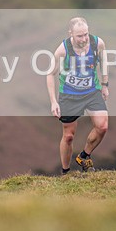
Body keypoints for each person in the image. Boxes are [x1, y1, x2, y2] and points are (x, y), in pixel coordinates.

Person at [46, 17, 109, 173]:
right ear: (71, 34)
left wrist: (105, 85)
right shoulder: (63, 50)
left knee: (102, 126)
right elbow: (50, 74)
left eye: (86, 34)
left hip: (91, 91)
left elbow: (104, 62)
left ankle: (84, 156)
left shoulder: (97, 43)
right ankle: (66, 172)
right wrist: (54, 102)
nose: (84, 39)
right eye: (79, 36)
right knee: (68, 136)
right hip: (69, 94)